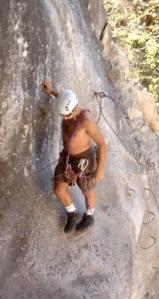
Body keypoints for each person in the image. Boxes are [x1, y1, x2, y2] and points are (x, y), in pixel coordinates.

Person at [42, 80, 107, 232]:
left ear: (73, 110)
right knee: (58, 188)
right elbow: (64, 99)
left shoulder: (86, 123)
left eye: (66, 115)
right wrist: (52, 91)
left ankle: (89, 215)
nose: (64, 119)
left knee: (87, 189)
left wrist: (100, 169)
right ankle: (72, 213)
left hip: (85, 160)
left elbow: (102, 144)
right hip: (67, 158)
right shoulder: (69, 106)